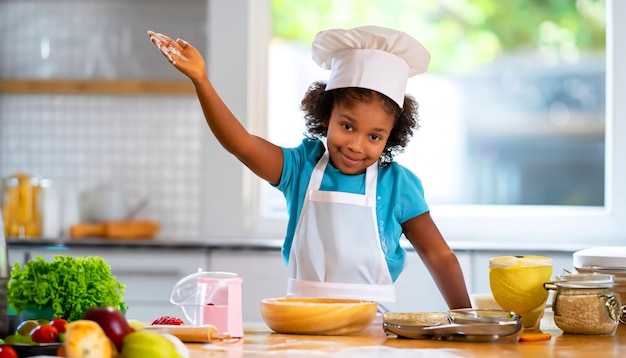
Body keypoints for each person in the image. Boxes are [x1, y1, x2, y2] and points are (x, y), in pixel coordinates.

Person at [148, 25, 471, 311]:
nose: (357, 145)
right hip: (300, 318)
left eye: (374, 136)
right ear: (325, 117)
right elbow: (241, 144)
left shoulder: (398, 185)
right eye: (347, 126)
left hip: (372, 327)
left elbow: (439, 256)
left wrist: (467, 318)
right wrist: (201, 80)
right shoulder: (300, 168)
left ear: (391, 137)